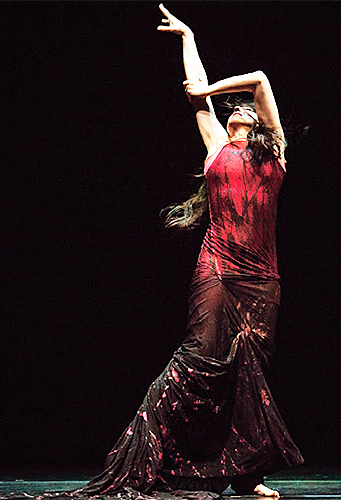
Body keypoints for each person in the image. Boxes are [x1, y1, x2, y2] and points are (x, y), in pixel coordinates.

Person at [81, 5, 304, 498]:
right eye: (235, 109)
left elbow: (261, 80)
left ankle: (248, 476)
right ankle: (150, 455)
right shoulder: (217, 147)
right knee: (199, 357)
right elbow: (196, 89)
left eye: (242, 107)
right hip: (217, 266)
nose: (239, 109)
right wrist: (189, 36)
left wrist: (208, 91)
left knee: (251, 368)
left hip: (261, 275)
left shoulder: (275, 151)